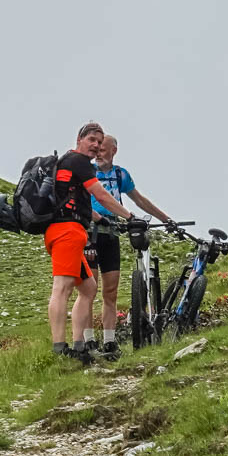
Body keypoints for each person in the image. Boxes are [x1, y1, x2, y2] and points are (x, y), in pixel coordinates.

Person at [45, 122, 135, 365]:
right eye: (91, 140)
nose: (96, 145)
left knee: (88, 287)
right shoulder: (79, 162)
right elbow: (101, 195)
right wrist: (129, 217)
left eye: (99, 142)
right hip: (66, 231)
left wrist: (100, 219)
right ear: (79, 139)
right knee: (62, 287)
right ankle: (60, 349)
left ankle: (80, 345)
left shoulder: (69, 163)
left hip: (72, 231)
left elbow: (78, 201)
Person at [85, 133, 177, 359]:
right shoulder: (87, 172)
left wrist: (166, 219)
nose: (98, 154)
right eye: (96, 150)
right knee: (89, 290)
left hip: (112, 234)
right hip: (89, 233)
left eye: (103, 150)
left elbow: (140, 200)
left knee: (110, 291)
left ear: (113, 151)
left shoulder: (120, 175)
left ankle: (109, 341)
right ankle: (88, 341)